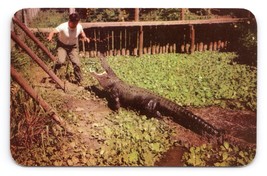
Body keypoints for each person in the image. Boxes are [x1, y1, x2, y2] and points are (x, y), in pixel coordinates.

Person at [47, 12, 90, 85]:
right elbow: (53, 31)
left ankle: (79, 80)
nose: (76, 25)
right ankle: (54, 74)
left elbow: (82, 33)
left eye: (77, 23)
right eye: (74, 23)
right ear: (70, 21)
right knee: (61, 61)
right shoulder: (63, 26)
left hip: (73, 47)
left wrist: (85, 38)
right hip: (62, 46)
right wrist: (50, 37)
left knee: (77, 63)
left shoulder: (79, 26)